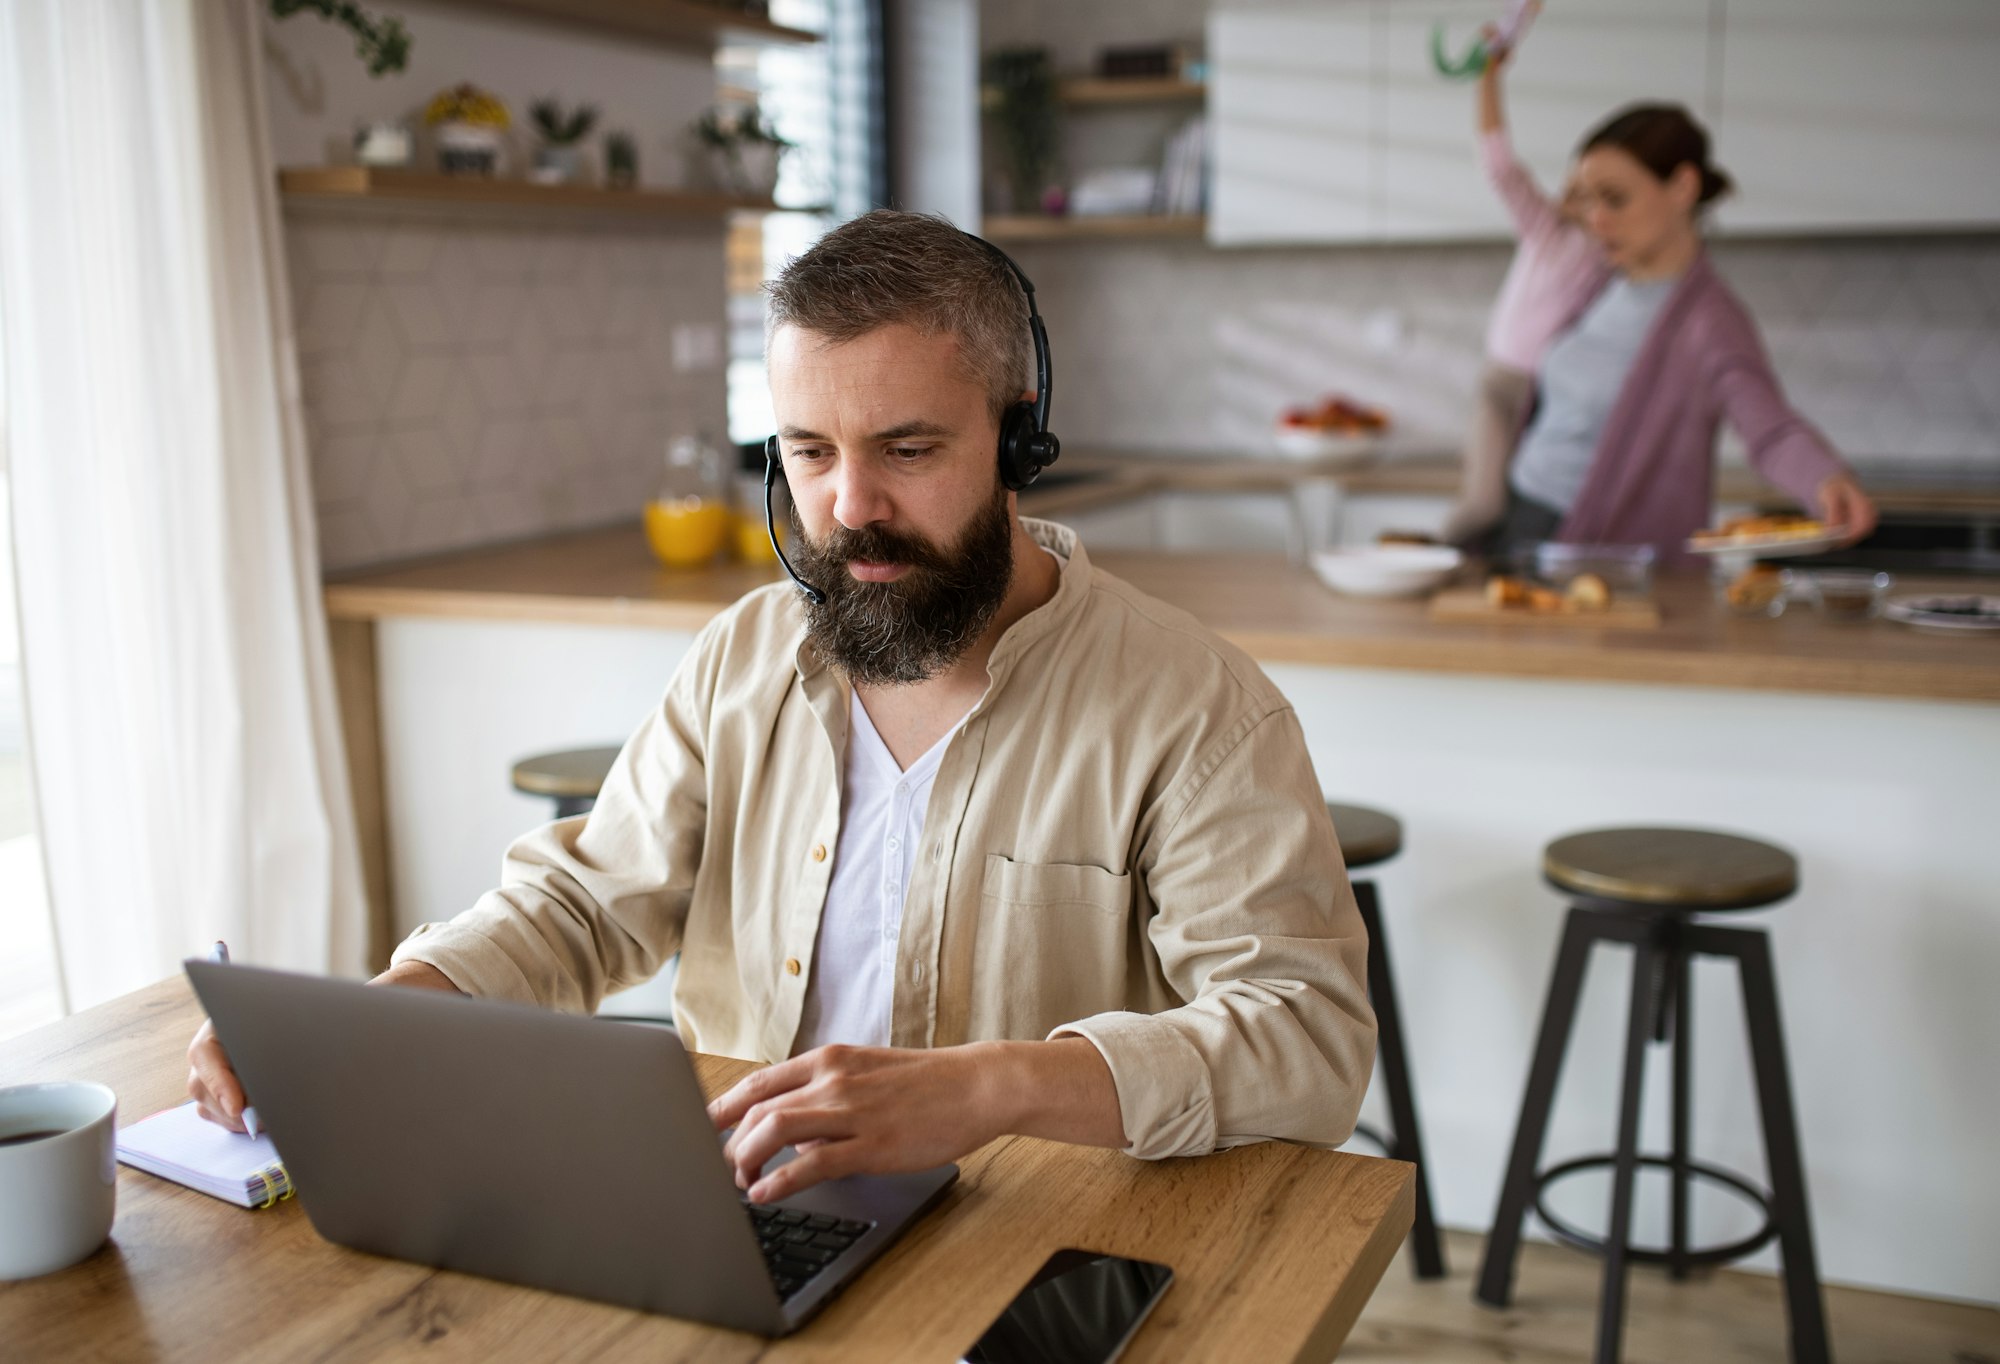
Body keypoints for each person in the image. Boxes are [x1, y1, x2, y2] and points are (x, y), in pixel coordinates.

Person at [187, 211, 1377, 1205]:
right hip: (743, 1208)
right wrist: (363, 1030)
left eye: (906, 448)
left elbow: (1306, 1036)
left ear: (1018, 436)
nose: (848, 505)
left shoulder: (1196, 706)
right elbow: (579, 907)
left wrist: (984, 1086)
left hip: (1032, 1234)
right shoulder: (743, 657)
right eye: (808, 451)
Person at [1467, 101, 1878, 561]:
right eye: (1587, 199)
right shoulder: (1599, 281)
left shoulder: (1707, 322)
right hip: (1520, 517)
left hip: (1594, 549)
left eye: (1615, 198)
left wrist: (1825, 479)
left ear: (1682, 187)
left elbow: (1770, 428)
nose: (1595, 219)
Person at [1442, 23, 1608, 546]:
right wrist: (1488, 79)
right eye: (1578, 190)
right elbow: (1499, 165)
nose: (1589, 203)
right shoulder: (1546, 231)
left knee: (1531, 517)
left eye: (1606, 194)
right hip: (1504, 386)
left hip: (1558, 400)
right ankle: (1439, 563)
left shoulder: (1619, 261)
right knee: (1484, 504)